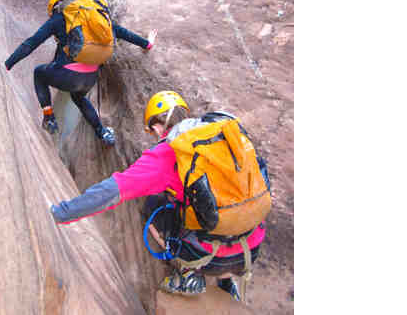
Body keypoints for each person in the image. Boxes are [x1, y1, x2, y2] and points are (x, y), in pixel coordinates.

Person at [49, 91, 270, 299]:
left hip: (210, 257)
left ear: (157, 127)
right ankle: (227, 284)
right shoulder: (224, 134)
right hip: (252, 247)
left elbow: (110, 192)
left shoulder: (167, 154)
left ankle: (188, 275)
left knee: (153, 205)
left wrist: (61, 213)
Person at [5, 0, 156, 146]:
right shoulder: (93, 19)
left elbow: (31, 43)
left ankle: (49, 118)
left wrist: (7, 65)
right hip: (90, 77)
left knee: (39, 73)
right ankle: (102, 132)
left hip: (68, 75)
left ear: (55, 9)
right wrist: (147, 43)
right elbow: (123, 33)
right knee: (79, 97)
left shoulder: (59, 18)